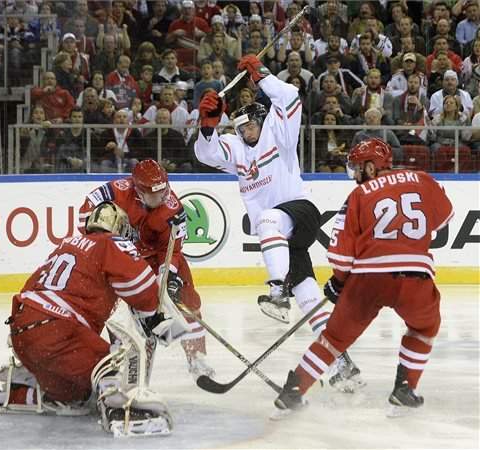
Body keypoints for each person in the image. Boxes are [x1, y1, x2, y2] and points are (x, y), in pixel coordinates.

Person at [194, 54, 363, 392]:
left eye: (250, 125)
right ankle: (344, 363)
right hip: (282, 235)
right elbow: (205, 154)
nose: (246, 132)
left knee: (267, 220)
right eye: (240, 128)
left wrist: (263, 76)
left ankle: (276, 291)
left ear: (261, 119)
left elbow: (288, 97)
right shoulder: (236, 147)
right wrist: (207, 127)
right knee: (309, 295)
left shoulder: (277, 130)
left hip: (300, 211)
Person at [273, 138, 454, 417]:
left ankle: (294, 390)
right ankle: (405, 388)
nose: (355, 175)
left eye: (357, 168)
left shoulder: (359, 196)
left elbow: (341, 254)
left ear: (371, 167)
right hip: (415, 277)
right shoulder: (422, 179)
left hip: (369, 277)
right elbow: (445, 217)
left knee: (333, 339)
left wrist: (340, 281)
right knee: (424, 328)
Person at [0, 202, 178, 436]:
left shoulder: (67, 245)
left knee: (76, 397)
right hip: (57, 329)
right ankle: (121, 411)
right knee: (110, 363)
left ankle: (12, 393)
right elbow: (139, 283)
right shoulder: (109, 242)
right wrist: (153, 312)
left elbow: (33, 287)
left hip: (24, 331)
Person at [78, 160, 215, 381]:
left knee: (186, 301)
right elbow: (85, 212)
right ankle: (121, 357)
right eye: (155, 196)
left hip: (153, 257)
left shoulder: (172, 209)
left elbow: (173, 250)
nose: (162, 198)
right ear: (139, 192)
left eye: (164, 192)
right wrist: (105, 237)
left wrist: (168, 276)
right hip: (119, 256)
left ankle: (196, 356)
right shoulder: (118, 190)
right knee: (116, 312)